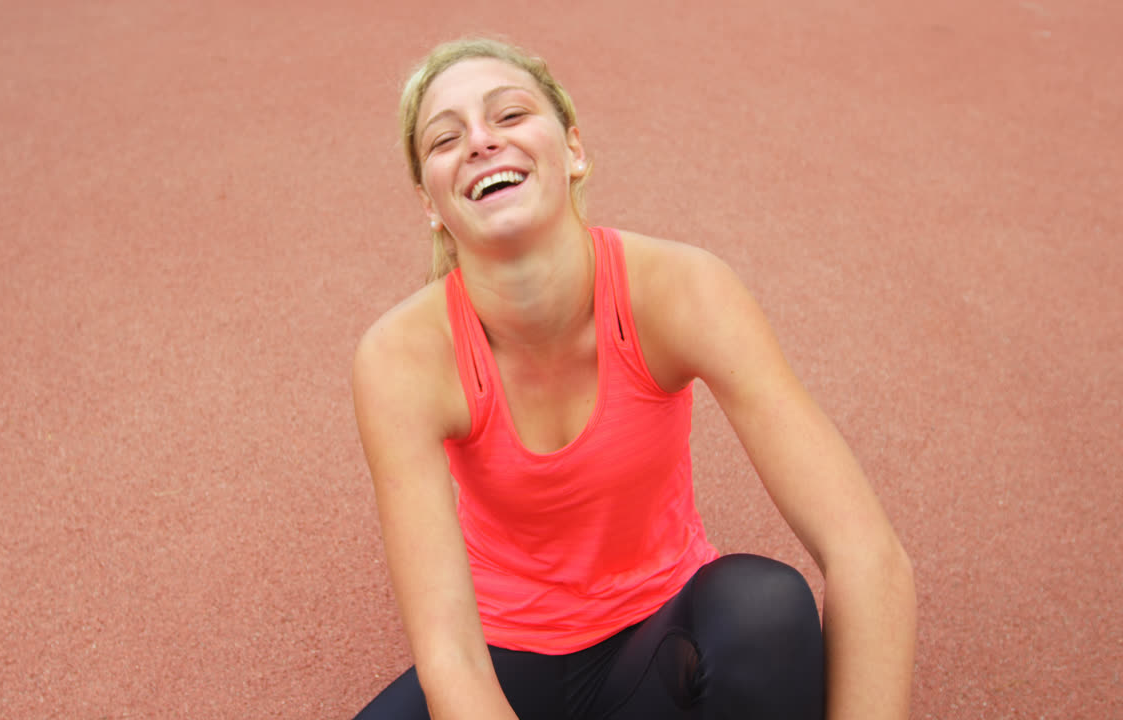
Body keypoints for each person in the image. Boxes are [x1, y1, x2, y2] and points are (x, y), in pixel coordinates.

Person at [350, 37, 915, 720]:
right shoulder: (400, 358)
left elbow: (866, 554)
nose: (479, 141)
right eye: (445, 138)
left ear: (575, 150)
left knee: (765, 609)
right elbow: (452, 660)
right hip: (504, 662)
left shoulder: (682, 292)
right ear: (431, 204)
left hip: (660, 640)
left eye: (509, 116)